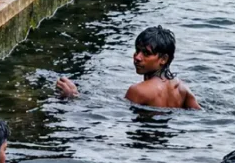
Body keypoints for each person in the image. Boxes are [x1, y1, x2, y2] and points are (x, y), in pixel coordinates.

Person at [56, 26, 202, 110]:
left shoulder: (138, 90)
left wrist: (74, 97)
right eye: (137, 50)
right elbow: (199, 114)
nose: (137, 57)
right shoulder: (182, 88)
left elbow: (114, 113)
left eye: (146, 53)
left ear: (163, 59)